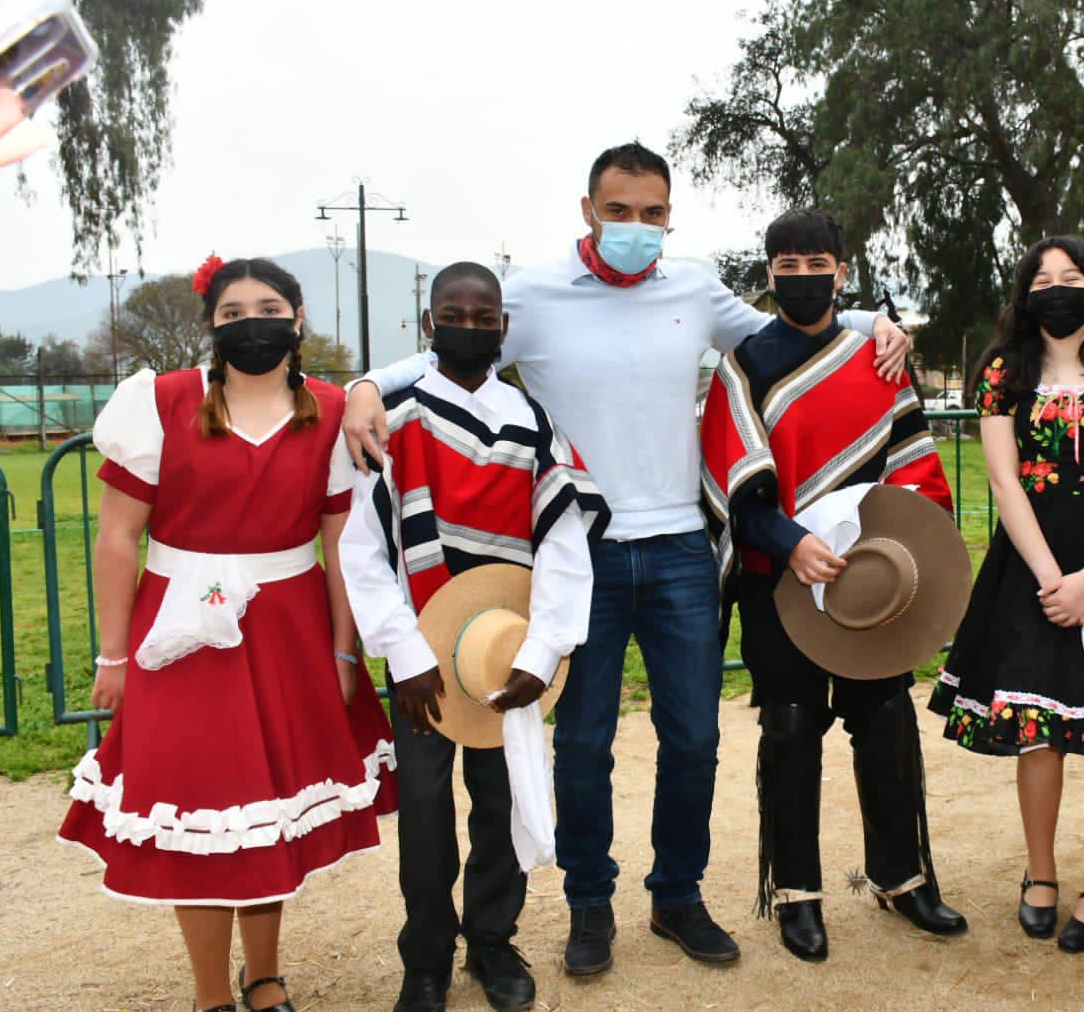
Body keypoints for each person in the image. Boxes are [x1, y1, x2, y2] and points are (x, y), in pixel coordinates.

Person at [339, 142, 913, 975]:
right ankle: (590, 907)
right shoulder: (531, 295)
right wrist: (363, 389)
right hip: (582, 553)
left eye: (652, 213)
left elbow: (787, 329)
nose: (636, 227)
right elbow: (436, 359)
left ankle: (677, 895)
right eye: (619, 211)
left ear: (669, 216)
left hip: (683, 547)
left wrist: (875, 323)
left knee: (694, 738)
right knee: (586, 743)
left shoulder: (693, 286)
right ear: (588, 211)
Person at [57, 255, 396, 1012]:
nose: (252, 322)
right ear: (210, 327)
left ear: (298, 318)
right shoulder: (161, 403)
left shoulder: (334, 410)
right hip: (180, 637)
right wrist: (114, 654)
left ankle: (265, 975)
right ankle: (212, 993)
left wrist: (345, 651)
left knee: (266, 807)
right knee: (203, 813)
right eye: (233, 312)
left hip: (290, 631)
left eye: (268, 306)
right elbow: (118, 539)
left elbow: (340, 546)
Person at [698, 208, 967, 963]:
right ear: (770, 271)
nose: (803, 274)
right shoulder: (744, 361)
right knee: (789, 727)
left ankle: (902, 876)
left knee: (884, 721)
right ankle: (796, 893)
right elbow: (732, 484)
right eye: (787, 261)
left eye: (818, 261)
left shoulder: (878, 359)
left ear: (843, 272)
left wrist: (891, 547)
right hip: (777, 578)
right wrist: (790, 543)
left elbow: (912, 469)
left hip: (869, 580)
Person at [339, 262, 607, 1012]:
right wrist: (406, 648)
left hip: (502, 649)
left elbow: (562, 543)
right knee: (424, 813)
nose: (470, 325)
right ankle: (425, 957)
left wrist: (543, 648)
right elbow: (362, 548)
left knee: (501, 799)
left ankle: (493, 940)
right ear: (428, 325)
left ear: (503, 327)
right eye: (453, 313)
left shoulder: (531, 421)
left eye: (485, 315)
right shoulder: (398, 416)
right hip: (419, 650)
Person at [928, 235, 1084, 953]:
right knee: (1037, 726)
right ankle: (1040, 873)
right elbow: (1004, 480)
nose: (1058, 289)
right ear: (1024, 294)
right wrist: (1051, 580)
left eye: (1072, 277)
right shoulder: (1003, 371)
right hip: (1030, 568)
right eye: (1043, 279)